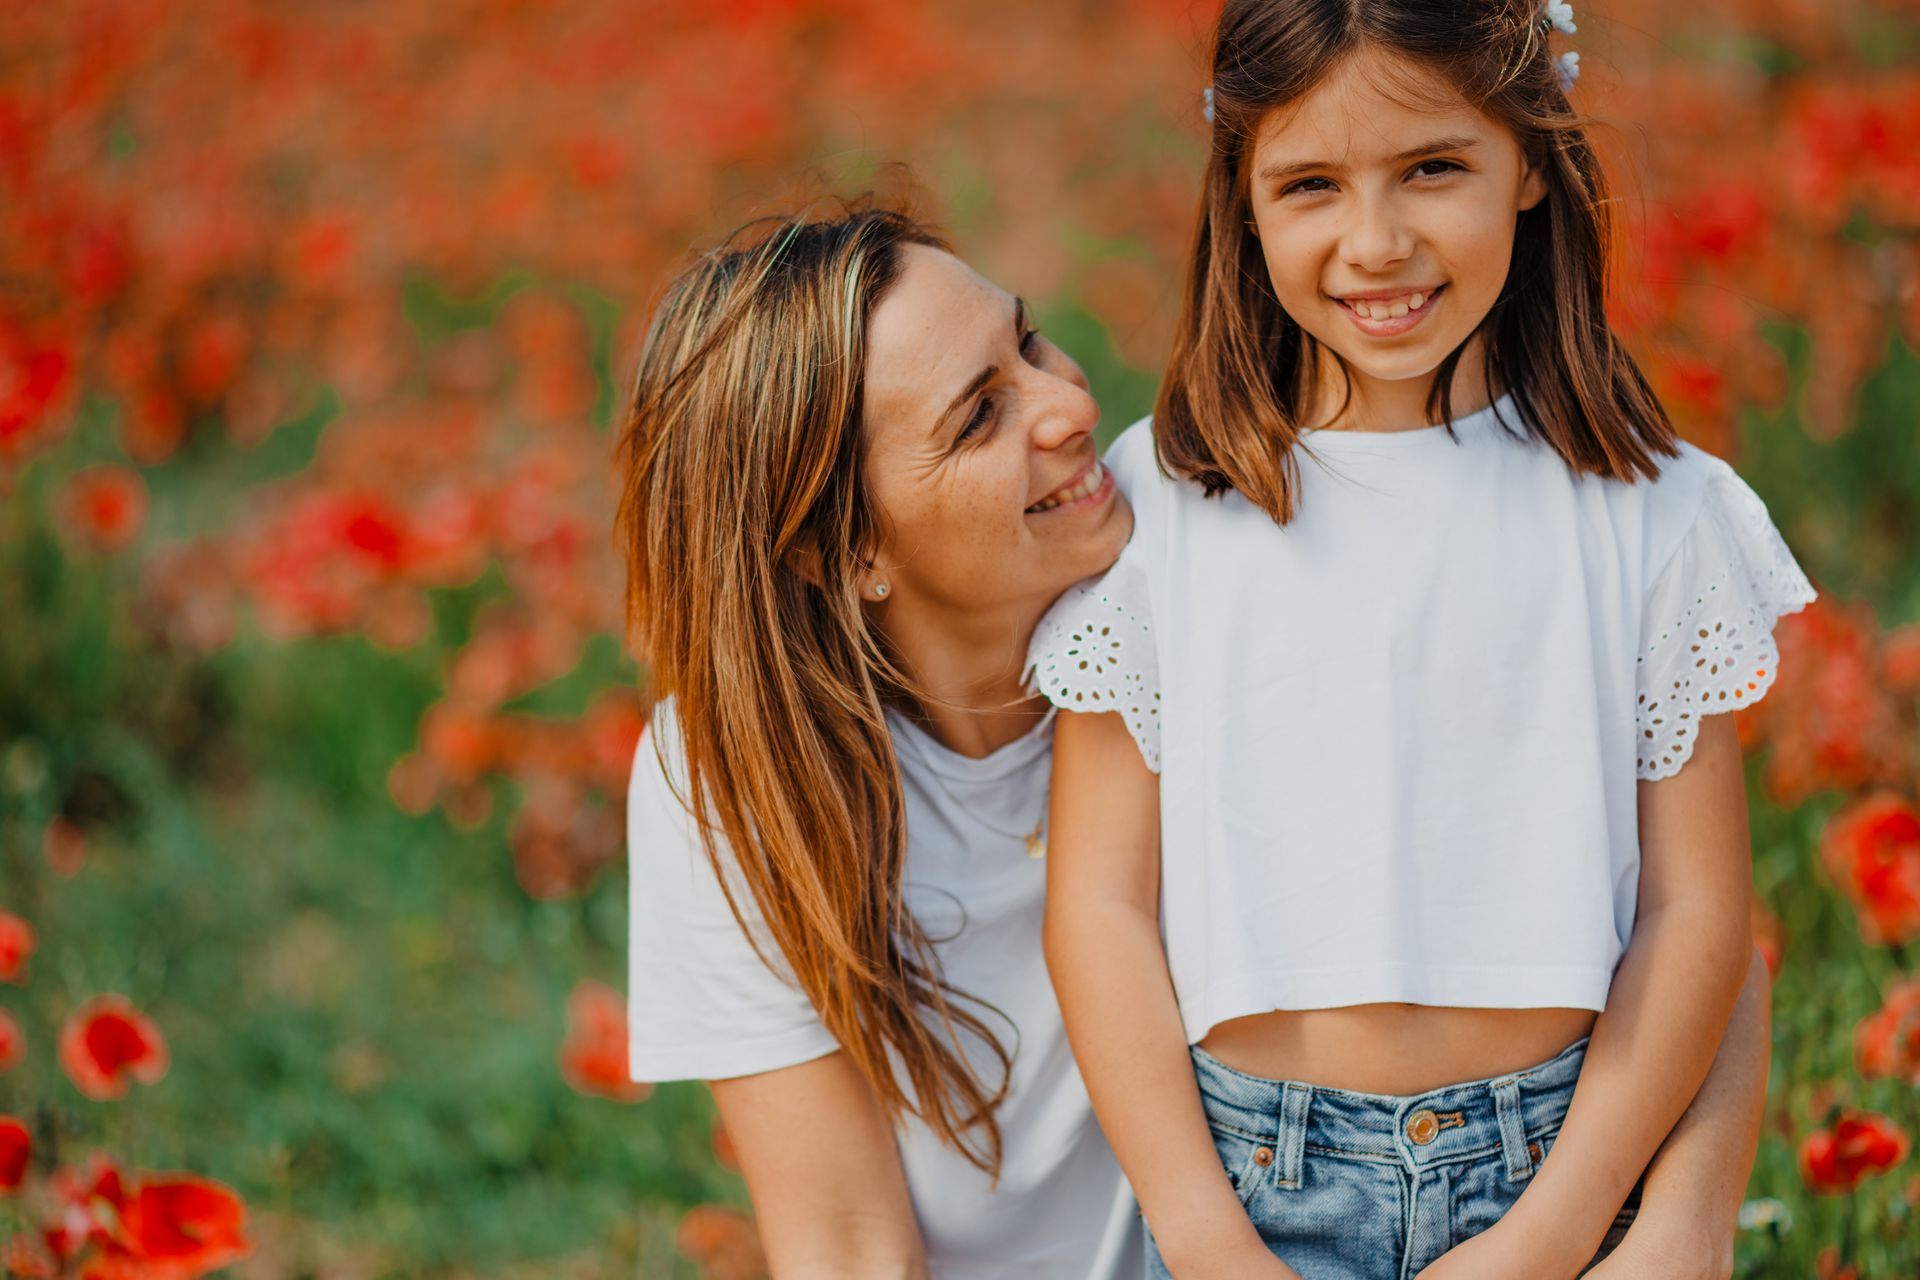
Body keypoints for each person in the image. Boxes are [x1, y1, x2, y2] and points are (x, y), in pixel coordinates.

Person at [617, 201, 1774, 1279]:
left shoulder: (1212, 561)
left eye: (1029, 344)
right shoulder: (727, 787)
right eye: (979, 415)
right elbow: (848, 1243)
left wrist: (1685, 1219)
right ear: (843, 550)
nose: (1066, 404)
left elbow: (1669, 893)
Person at [1029, 3, 1816, 1278]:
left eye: (1434, 168)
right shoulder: (1164, 510)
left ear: (1532, 165)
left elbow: (1694, 911)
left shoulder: (1653, 510)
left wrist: (1556, 1230)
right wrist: (1206, 1234)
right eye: (1310, 185)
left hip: (1567, 1164)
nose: (1375, 242)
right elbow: (1103, 907)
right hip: (1251, 1188)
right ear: (1242, 197)